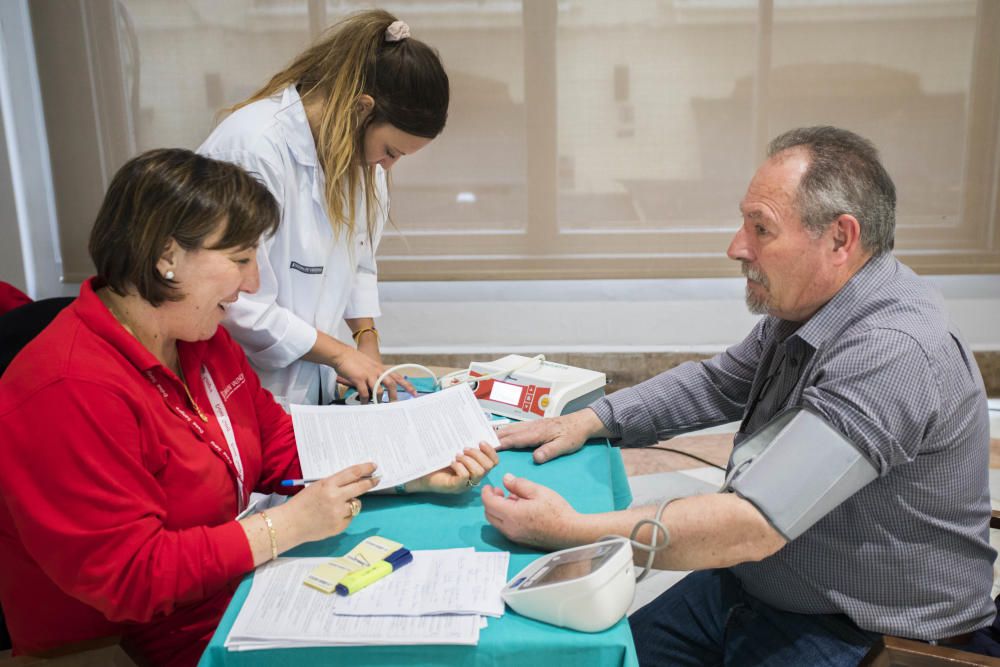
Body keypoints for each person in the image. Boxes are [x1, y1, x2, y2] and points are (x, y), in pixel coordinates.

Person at [483, 126, 994, 666]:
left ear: (841, 239)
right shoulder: (815, 306)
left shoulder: (891, 351)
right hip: (755, 586)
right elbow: (717, 382)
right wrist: (591, 418)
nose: (736, 247)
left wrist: (572, 534)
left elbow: (751, 524)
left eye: (761, 229)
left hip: (860, 630)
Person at [0, 149, 497, 666]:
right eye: (240, 259)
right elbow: (131, 578)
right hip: (124, 642)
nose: (254, 284)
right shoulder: (69, 389)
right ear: (166, 257)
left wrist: (407, 469)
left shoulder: (195, 336)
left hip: (229, 594)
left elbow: (276, 446)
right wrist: (283, 528)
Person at [199, 9, 448, 407]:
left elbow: (358, 261)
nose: (388, 166)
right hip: (241, 383)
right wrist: (340, 355)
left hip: (310, 381)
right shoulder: (251, 151)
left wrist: (365, 342)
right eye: (390, 151)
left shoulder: (360, 162)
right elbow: (233, 300)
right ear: (361, 108)